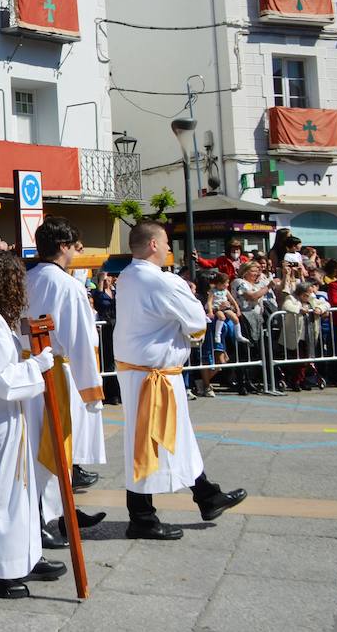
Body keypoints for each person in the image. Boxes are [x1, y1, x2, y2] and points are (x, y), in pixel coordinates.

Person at [115, 221, 247, 540]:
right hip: (154, 375)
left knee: (176, 438)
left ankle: (206, 494)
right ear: (154, 245)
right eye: (167, 244)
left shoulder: (126, 276)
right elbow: (196, 320)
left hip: (138, 370)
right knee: (149, 443)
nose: (171, 250)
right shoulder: (162, 281)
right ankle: (142, 517)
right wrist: (188, 334)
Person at [0, 250, 66, 599]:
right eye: (17, 280)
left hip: (5, 415)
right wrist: (37, 365)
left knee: (16, 490)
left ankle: (20, 558)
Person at [22, 217, 107, 549]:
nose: (79, 251)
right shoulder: (67, 285)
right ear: (62, 247)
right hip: (54, 369)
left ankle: (62, 509)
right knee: (51, 445)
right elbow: (80, 339)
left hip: (28, 366)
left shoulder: (26, 279)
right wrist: (91, 388)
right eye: (75, 246)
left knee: (43, 444)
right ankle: (43, 518)